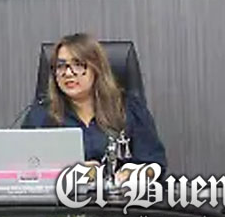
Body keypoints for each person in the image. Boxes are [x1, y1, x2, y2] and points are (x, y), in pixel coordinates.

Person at [22, 32, 166, 183]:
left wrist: (136, 173)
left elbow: (155, 163)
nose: (68, 73)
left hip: (119, 196)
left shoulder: (128, 108)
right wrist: (71, 173)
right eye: (61, 66)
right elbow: (24, 170)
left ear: (96, 68)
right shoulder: (41, 115)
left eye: (78, 65)